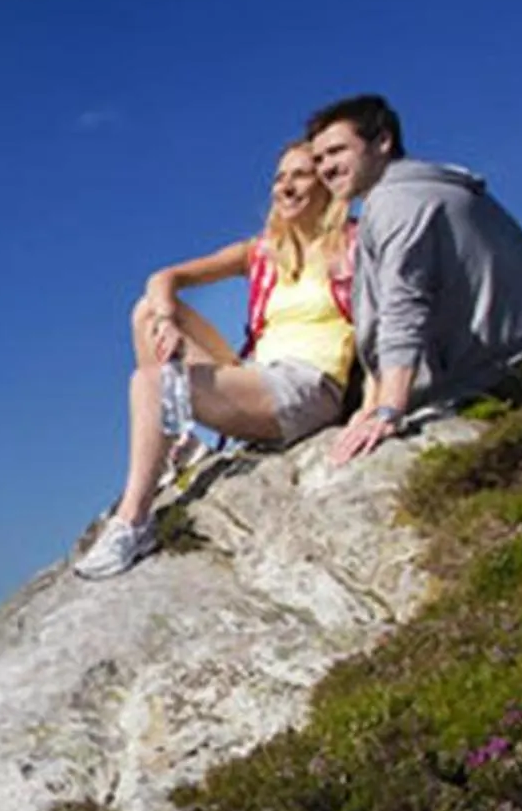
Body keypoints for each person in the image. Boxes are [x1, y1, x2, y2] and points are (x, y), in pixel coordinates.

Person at [73, 141, 358, 579]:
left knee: (150, 384)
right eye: (279, 177)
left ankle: (133, 522)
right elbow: (165, 277)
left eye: (299, 175)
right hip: (257, 376)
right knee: (147, 310)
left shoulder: (353, 244)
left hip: (308, 387)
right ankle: (180, 449)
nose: (285, 185)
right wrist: (168, 320)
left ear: (325, 185)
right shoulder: (261, 252)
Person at [304, 93, 522, 467]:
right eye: (318, 159)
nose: (326, 168)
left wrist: (387, 411)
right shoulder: (423, 189)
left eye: (337, 151)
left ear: (382, 142)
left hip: (512, 368)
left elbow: (404, 306)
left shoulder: (395, 202)